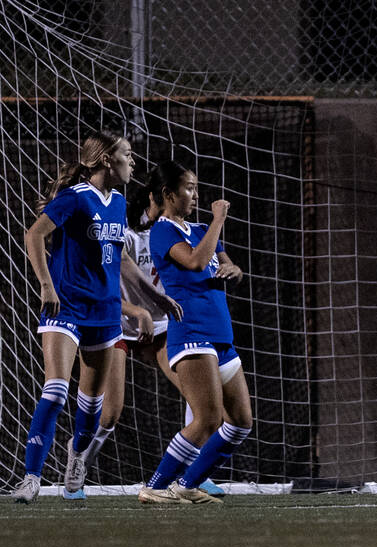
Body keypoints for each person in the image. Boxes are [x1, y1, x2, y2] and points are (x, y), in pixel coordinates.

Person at [67, 174, 222, 498]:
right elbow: (103, 283)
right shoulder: (124, 232)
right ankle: (77, 469)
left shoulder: (173, 232)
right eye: (186, 191)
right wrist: (133, 310)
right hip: (118, 323)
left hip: (160, 326)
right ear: (159, 197)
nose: (189, 199)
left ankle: (189, 473)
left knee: (199, 399)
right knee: (110, 414)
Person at [12, 132, 135, 503]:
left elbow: (121, 259)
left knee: (91, 407)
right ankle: (31, 477)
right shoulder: (75, 197)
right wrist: (46, 285)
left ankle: (76, 455)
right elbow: (34, 235)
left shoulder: (119, 204)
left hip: (104, 311)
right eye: (127, 155)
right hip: (65, 307)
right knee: (55, 389)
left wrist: (154, 297)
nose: (133, 162)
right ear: (105, 161)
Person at [137, 162, 251, 504]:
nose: (196, 195)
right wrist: (218, 220)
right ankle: (155, 487)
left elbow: (224, 264)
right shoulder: (162, 230)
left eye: (197, 188)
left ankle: (187, 484)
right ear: (169, 194)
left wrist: (234, 270)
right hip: (191, 332)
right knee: (207, 419)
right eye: (189, 188)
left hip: (220, 332)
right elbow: (196, 263)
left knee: (240, 422)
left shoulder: (202, 228)